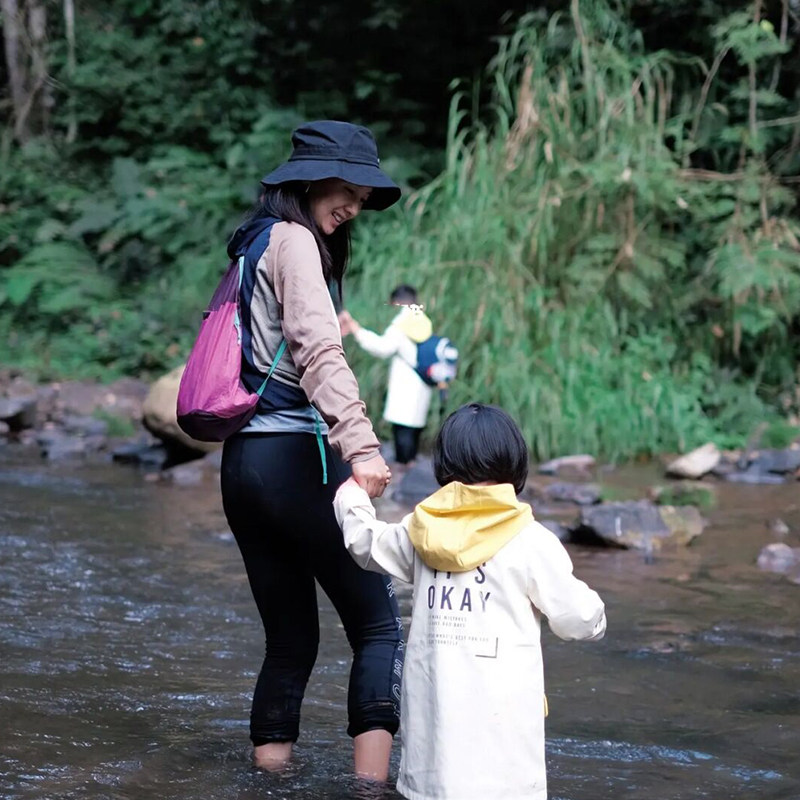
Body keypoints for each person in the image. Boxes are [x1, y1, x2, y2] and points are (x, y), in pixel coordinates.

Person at [219, 120, 404, 781]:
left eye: (363, 193)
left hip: (243, 465)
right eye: (348, 188)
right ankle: (371, 789)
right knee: (378, 627)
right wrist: (362, 447)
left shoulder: (252, 243)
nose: (355, 204)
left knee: (291, 639)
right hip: (294, 460)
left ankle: (270, 776)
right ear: (309, 180)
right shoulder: (295, 243)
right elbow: (317, 349)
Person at [333, 403, 607, 799]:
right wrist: (597, 616)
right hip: (505, 771)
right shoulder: (530, 540)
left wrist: (351, 495)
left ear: (444, 465)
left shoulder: (419, 530)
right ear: (514, 463)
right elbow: (577, 619)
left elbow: (366, 542)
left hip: (429, 769)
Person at [338, 285, 433, 468]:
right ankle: (410, 471)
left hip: (405, 389)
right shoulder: (422, 320)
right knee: (413, 433)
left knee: (402, 435)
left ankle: (404, 478)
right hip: (422, 387)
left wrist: (357, 330)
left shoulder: (403, 322)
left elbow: (383, 348)